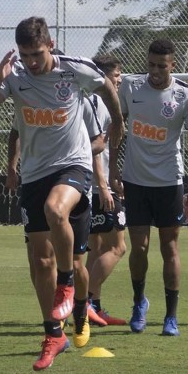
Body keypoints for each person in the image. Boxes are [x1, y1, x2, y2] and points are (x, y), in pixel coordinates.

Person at [0, 17, 123, 371]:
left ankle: (71, 288)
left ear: (51, 44)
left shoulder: (74, 70)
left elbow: (107, 89)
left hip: (73, 166)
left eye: (37, 54)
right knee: (40, 260)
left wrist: (118, 125)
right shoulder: (16, 78)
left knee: (57, 215)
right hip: (34, 174)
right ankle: (53, 333)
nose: (31, 62)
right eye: (25, 55)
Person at [112, 38, 188, 337]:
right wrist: (113, 169)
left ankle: (171, 316)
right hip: (135, 181)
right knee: (139, 248)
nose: (154, 71)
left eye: (161, 66)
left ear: (172, 65)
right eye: (150, 64)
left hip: (168, 182)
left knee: (170, 248)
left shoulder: (185, 95)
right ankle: (139, 302)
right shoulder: (130, 87)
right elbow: (117, 126)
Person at [5, 92, 106, 349]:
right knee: (39, 259)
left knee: (74, 262)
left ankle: (81, 313)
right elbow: (15, 132)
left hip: (71, 185)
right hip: (36, 182)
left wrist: (69, 150)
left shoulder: (81, 99)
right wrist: (12, 165)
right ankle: (55, 324)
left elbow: (100, 142)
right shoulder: (29, 95)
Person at [85, 55, 128, 327]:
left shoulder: (92, 100)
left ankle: (94, 308)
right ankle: (82, 301)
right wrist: (103, 186)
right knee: (118, 246)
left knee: (97, 247)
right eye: (115, 74)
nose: (119, 79)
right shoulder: (99, 102)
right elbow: (94, 149)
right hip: (95, 188)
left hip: (93, 185)